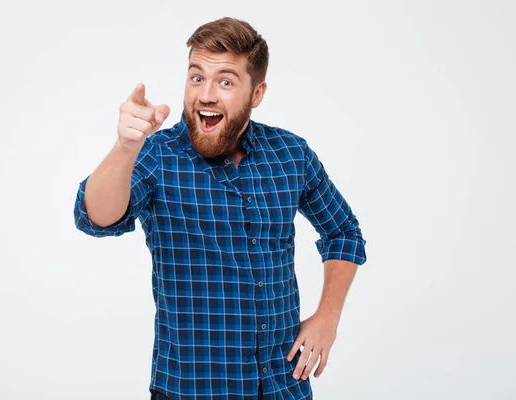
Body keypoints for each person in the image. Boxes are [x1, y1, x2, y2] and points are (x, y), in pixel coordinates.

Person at [73, 17, 367, 400]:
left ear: (256, 93)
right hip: (193, 390)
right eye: (197, 77)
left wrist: (328, 317)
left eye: (225, 81)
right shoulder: (157, 156)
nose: (206, 95)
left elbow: (343, 232)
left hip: (284, 386)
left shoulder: (291, 154)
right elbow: (95, 217)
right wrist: (126, 146)